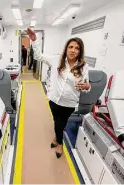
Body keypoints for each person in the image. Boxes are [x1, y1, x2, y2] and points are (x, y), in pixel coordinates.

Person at [26, 28, 91, 159]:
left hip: (70, 102)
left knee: (62, 122)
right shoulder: (56, 60)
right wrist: (34, 40)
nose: (73, 50)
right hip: (54, 99)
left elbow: (85, 86)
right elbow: (38, 56)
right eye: (71, 47)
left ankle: (57, 140)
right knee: (57, 122)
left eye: (77, 48)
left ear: (80, 51)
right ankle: (59, 142)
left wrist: (87, 86)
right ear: (66, 49)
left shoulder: (84, 67)